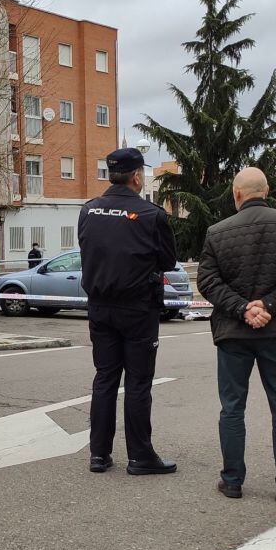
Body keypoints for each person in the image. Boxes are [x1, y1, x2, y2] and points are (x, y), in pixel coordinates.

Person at [197, 167, 276, 503]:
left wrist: (242, 309)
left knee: (232, 407)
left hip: (233, 333)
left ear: (236, 194)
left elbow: (208, 282)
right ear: (266, 192)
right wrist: (269, 305)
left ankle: (232, 481)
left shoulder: (217, 232)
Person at [78, 147, 177, 476]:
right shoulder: (151, 214)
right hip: (138, 308)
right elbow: (168, 261)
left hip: (100, 307)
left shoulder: (88, 210)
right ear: (136, 176)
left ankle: (99, 454)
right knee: (138, 382)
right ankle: (140, 456)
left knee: (105, 379)